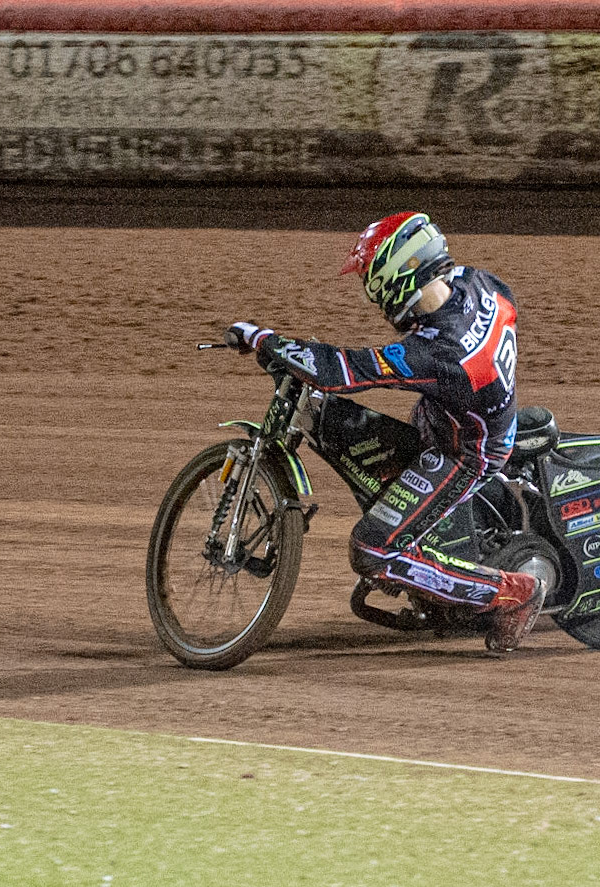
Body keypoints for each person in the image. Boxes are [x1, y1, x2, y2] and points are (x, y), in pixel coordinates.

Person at [224, 211, 545, 654]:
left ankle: (513, 593)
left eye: (371, 282)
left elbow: (344, 372)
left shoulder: (440, 351)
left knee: (373, 550)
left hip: (466, 453)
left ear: (400, 272)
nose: (372, 297)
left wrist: (265, 340)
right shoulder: (479, 283)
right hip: (450, 416)